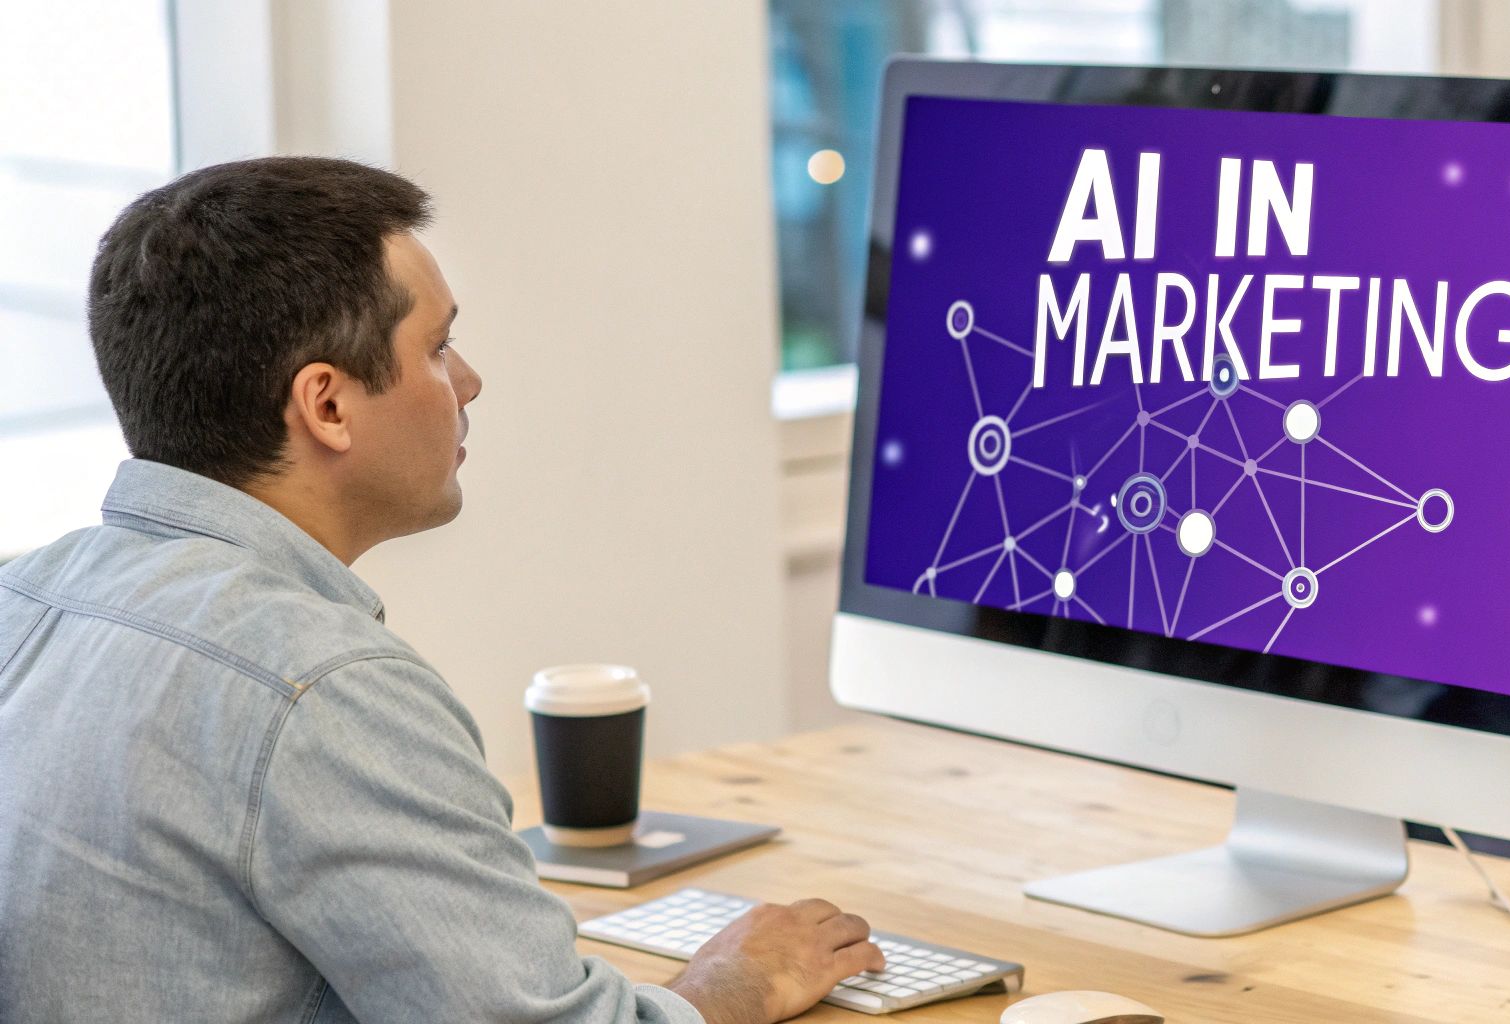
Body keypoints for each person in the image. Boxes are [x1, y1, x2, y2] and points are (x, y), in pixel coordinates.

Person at [0, 157, 882, 1024]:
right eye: (439, 345)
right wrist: (729, 985)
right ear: (328, 406)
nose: (468, 383)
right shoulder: (322, 690)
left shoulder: (21, 601)